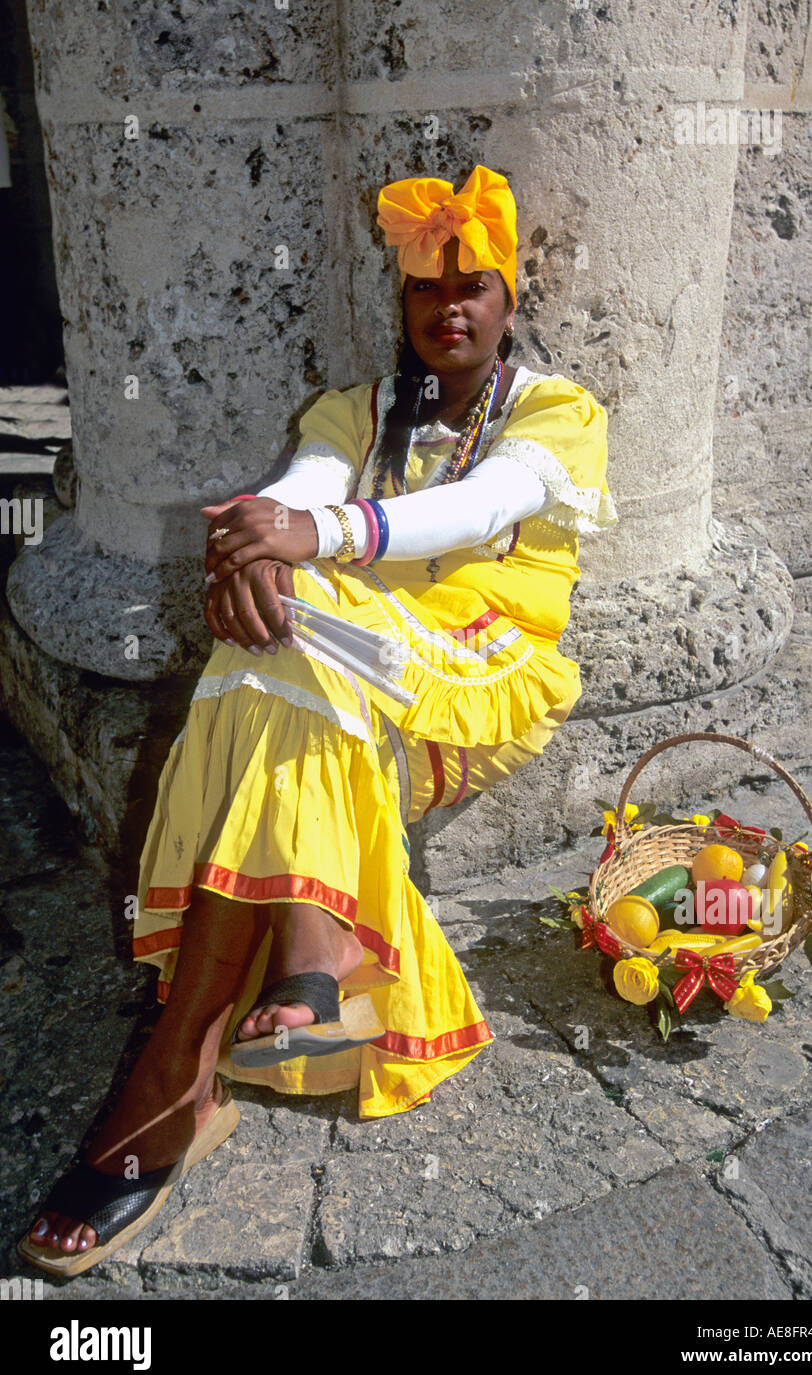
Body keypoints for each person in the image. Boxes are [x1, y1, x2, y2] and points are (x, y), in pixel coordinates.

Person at [19, 165, 617, 1275]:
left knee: (276, 627)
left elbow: (477, 508)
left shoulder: (555, 412)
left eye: (472, 285)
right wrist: (251, 542)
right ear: (397, 306)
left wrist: (303, 543)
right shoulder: (357, 410)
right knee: (272, 629)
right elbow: (301, 488)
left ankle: (174, 1074)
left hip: (477, 673)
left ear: (506, 297)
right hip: (350, 677)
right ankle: (297, 965)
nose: (449, 308)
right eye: (425, 290)